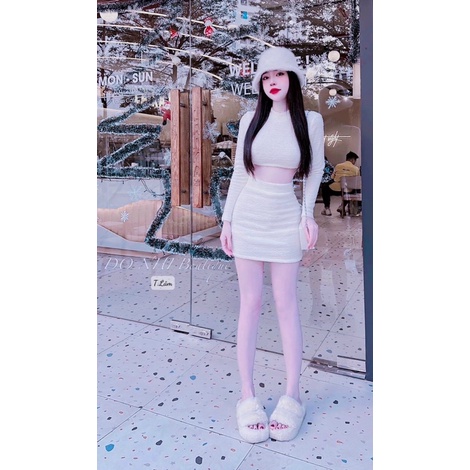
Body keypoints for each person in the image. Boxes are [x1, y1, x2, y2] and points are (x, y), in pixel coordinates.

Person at [219, 47, 324, 443]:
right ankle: (247, 396)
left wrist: (307, 215)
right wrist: (227, 220)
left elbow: (314, 171)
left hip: (284, 217)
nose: (272, 81)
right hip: (248, 216)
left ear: (293, 78)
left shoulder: (310, 121)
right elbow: (239, 174)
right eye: (265, 76)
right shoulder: (251, 119)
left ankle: (292, 394)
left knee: (286, 303)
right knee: (249, 303)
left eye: (279, 74)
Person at [329, 151, 360, 215]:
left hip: (335, 188)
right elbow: (357, 181)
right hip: (348, 189)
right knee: (353, 190)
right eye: (355, 161)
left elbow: (332, 177)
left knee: (326, 187)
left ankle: (327, 208)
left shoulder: (337, 166)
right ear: (352, 160)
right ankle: (344, 207)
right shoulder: (356, 169)